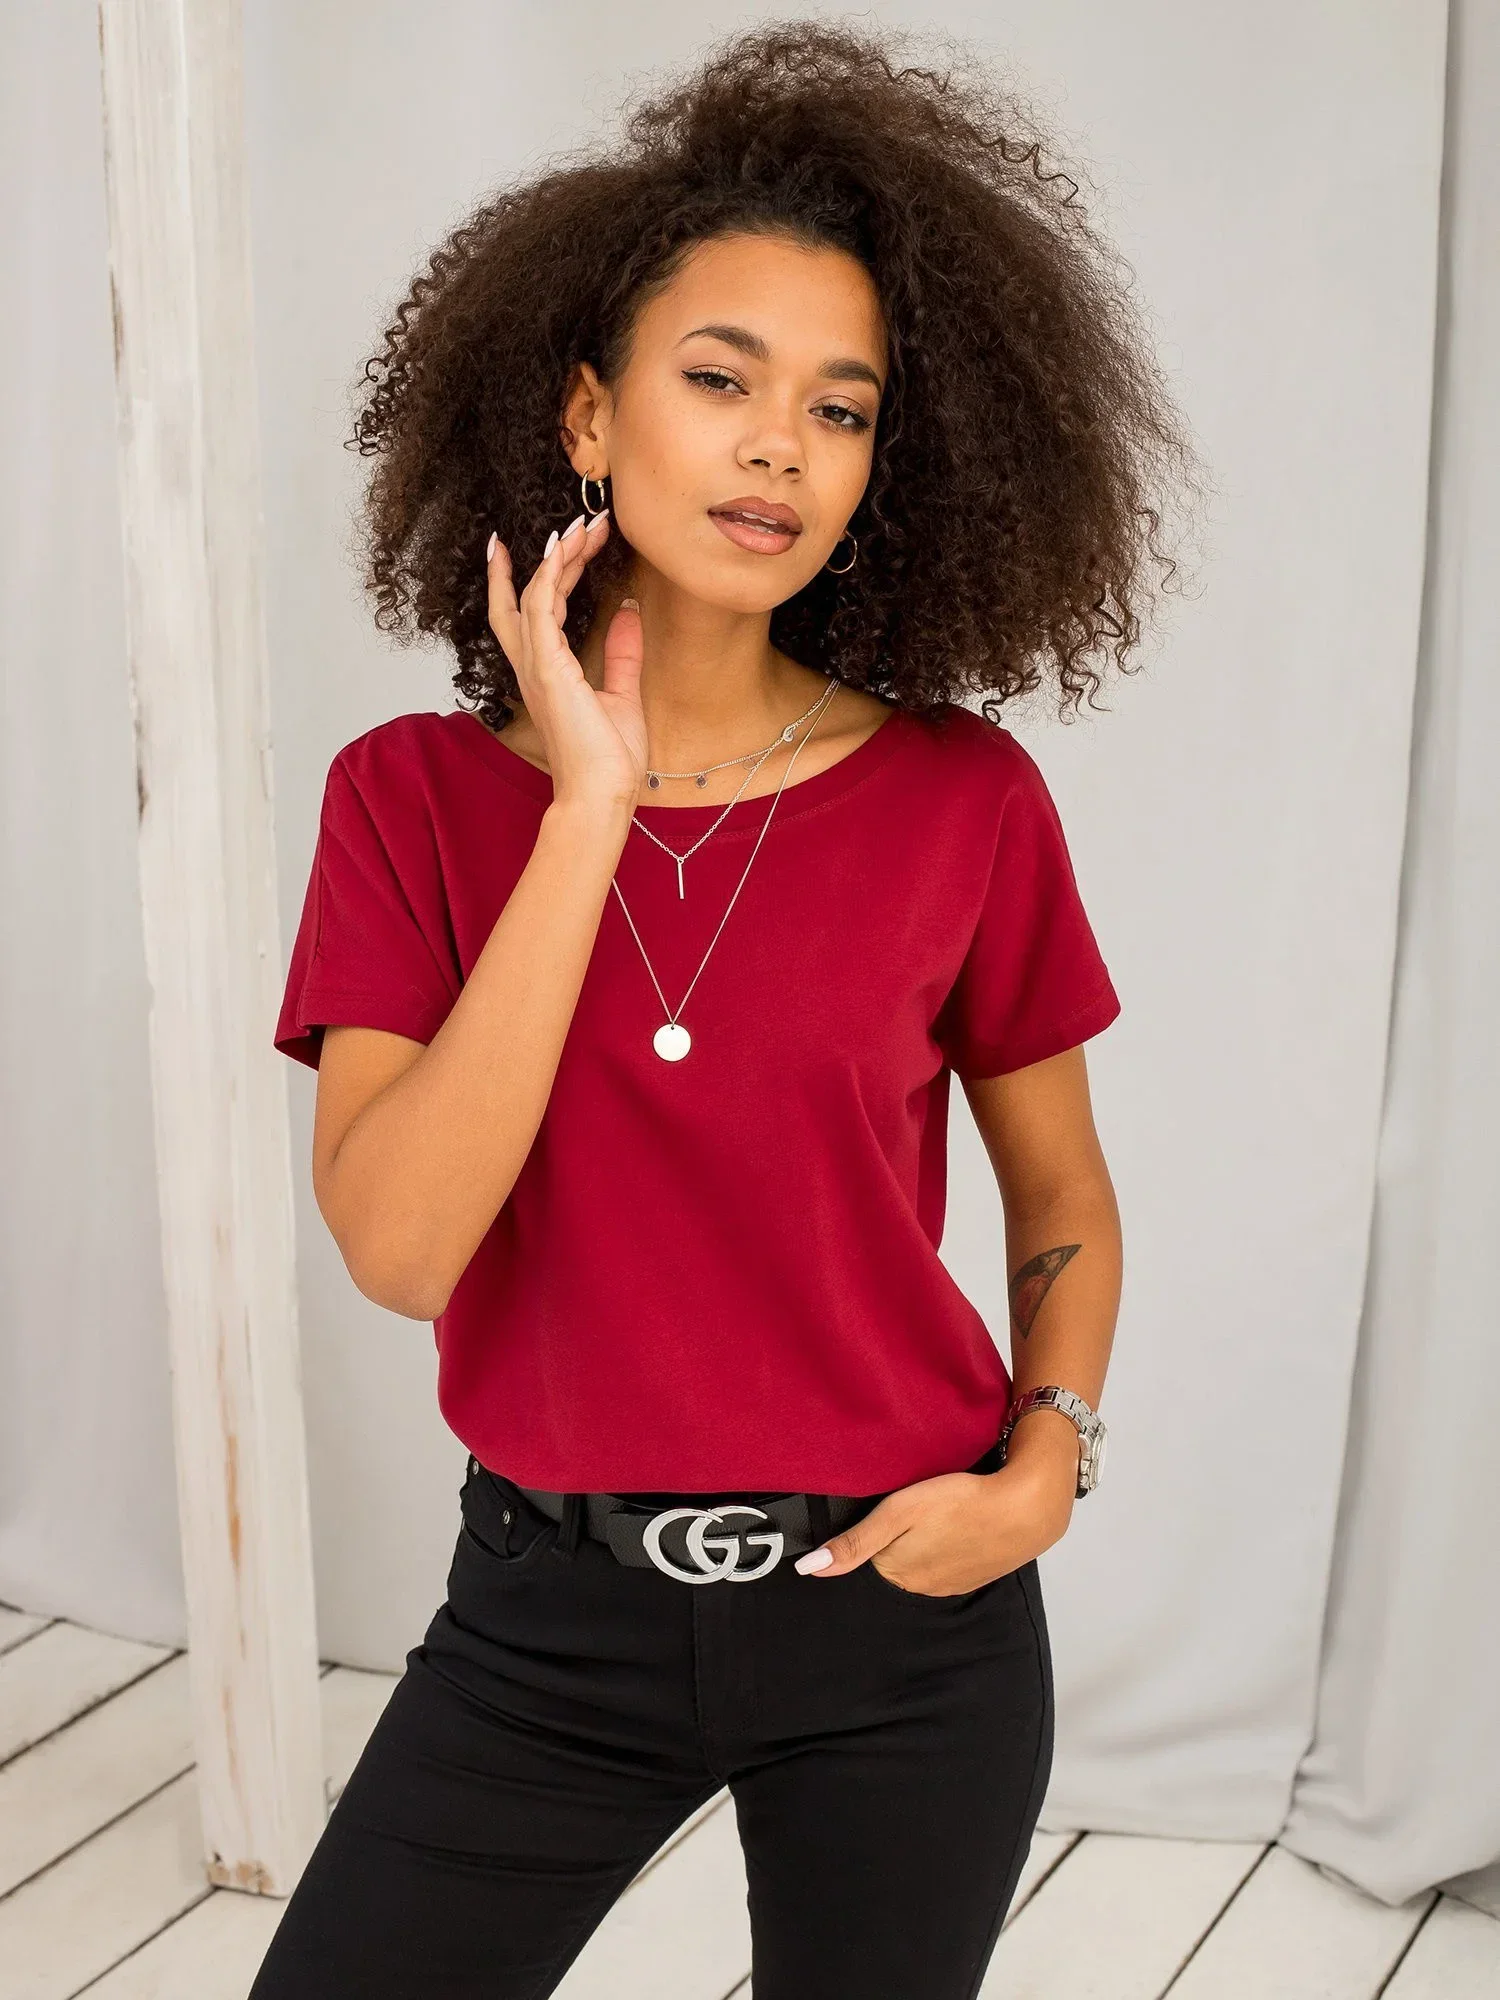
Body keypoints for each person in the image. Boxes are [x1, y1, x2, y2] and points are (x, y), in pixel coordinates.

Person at [251, 20, 1198, 1999]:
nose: (781, 444)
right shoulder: (409, 803)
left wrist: (1045, 1463)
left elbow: (1064, 1201)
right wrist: (588, 808)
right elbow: (403, 1248)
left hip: (905, 1617)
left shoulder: (961, 802)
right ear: (588, 415)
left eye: (841, 409)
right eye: (721, 378)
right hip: (546, 1624)